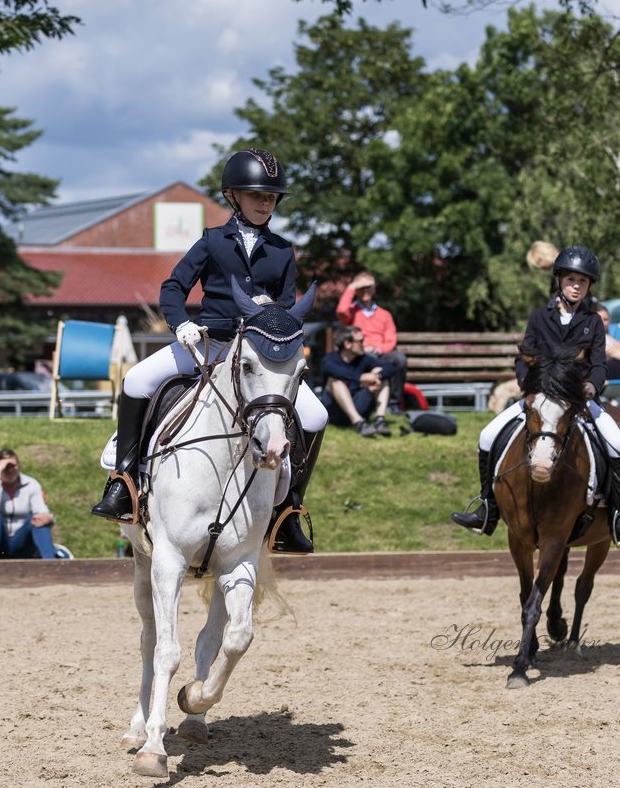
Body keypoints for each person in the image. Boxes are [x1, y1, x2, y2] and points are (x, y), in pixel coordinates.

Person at [90, 148, 328, 554]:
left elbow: (286, 310)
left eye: (271, 198)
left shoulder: (284, 251)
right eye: (257, 196)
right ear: (233, 196)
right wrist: (181, 323)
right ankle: (124, 483)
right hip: (209, 344)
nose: (265, 203)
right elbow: (172, 288)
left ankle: (286, 511)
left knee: (316, 414)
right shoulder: (213, 242)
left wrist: (274, 317)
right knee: (136, 380)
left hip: (255, 355)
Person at [450, 246, 620, 547]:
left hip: (578, 401)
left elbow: (598, 365)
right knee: (487, 435)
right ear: (559, 281)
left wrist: (591, 388)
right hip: (539, 399)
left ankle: (619, 517)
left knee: (618, 443)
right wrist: (527, 384)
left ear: (589, 286)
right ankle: (487, 508)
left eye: (582, 282)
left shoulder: (593, 322)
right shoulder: (539, 318)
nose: (576, 287)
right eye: (571, 280)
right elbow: (523, 358)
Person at [335, 271, 408, 410]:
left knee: (399, 359)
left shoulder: (385, 314)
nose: (365, 290)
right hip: (360, 354)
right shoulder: (351, 312)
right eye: (361, 287)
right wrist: (352, 286)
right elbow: (341, 310)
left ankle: (393, 404)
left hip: (380, 353)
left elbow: (391, 340)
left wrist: (378, 348)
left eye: (368, 286)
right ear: (356, 290)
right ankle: (364, 403)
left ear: (374, 289)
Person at [0, 449, 60, 560]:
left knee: (38, 520)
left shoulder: (31, 484)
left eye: (13, 466)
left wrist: (48, 518)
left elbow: (42, 511)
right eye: (6, 467)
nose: (10, 470)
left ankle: (50, 563)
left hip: (18, 544)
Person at [320, 325, 398, 437]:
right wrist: (361, 378)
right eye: (360, 341)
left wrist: (377, 376)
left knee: (380, 373)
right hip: (335, 412)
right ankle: (359, 423)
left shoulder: (363, 359)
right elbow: (335, 371)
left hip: (359, 405)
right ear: (347, 344)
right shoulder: (330, 359)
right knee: (334, 380)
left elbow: (391, 368)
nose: (364, 344)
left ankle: (380, 421)